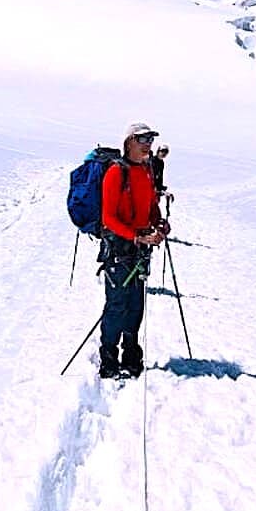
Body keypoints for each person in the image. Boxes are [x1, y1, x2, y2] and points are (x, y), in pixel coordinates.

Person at [98, 121, 169, 379]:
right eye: (142, 139)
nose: (148, 144)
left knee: (135, 304)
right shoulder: (117, 173)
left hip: (139, 249)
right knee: (117, 305)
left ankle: (131, 354)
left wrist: (159, 223)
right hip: (119, 248)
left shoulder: (147, 170)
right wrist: (137, 237)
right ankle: (108, 358)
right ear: (129, 142)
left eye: (150, 140)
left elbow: (150, 206)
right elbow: (108, 217)